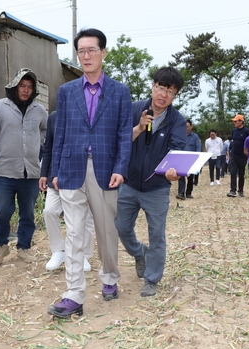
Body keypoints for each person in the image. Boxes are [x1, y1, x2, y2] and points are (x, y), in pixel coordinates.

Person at [47, 28, 132, 318]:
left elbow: (123, 134)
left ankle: (109, 277)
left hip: (105, 170)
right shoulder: (68, 91)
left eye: (91, 50)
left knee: (107, 231)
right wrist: (55, 169)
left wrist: (121, 168)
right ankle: (74, 295)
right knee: (73, 234)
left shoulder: (119, 92)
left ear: (103, 53)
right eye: (81, 51)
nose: (86, 56)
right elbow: (60, 134)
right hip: (71, 169)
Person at [115, 66, 186, 297]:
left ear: (175, 95)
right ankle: (139, 253)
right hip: (130, 182)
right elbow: (118, 141)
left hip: (157, 187)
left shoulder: (176, 120)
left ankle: (152, 279)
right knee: (122, 228)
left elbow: (177, 151)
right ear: (153, 86)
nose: (164, 95)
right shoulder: (134, 109)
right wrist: (137, 128)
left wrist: (173, 172)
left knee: (157, 235)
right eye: (161, 87)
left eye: (170, 91)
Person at [0, 68, 47, 267]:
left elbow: (45, 130)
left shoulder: (39, 110)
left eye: (29, 87)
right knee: (1, 210)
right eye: (22, 86)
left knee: (27, 212)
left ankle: (23, 248)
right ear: (14, 86)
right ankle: (1, 246)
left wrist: (39, 142)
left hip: (31, 172)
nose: (26, 90)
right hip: (6, 171)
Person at [39, 111, 95, 272]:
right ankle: (59, 250)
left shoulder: (91, 115)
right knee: (49, 211)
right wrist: (44, 174)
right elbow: (48, 147)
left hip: (84, 174)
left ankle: (83, 254)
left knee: (87, 216)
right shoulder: (54, 118)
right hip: (57, 173)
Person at [176, 120, 201, 199]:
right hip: (182, 158)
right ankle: (181, 193)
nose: (186, 128)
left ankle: (188, 193)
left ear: (191, 127)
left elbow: (198, 147)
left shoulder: (195, 137)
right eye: (185, 127)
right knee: (181, 176)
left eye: (188, 126)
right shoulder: (180, 136)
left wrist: (198, 157)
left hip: (191, 159)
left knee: (190, 177)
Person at [227, 114, 249, 197]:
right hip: (234, 154)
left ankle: (240, 190)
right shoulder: (234, 131)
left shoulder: (247, 131)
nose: (234, 122)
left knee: (241, 173)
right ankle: (232, 190)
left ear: (241, 121)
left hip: (242, 155)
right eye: (233, 121)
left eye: (235, 121)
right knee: (233, 172)